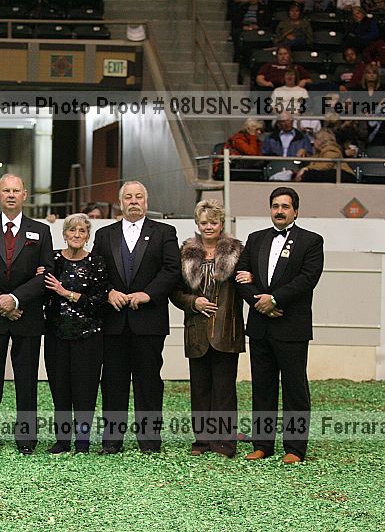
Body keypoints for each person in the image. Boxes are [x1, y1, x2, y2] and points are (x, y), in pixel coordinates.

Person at [0, 174, 54, 455]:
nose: (11, 195)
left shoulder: (41, 231)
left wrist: (15, 299)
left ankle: (26, 438)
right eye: (6, 191)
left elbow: (46, 273)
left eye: (16, 190)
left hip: (27, 315)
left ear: (25, 195)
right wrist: (0, 301)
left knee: (26, 379)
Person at [235, 187, 324, 464]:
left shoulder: (311, 241)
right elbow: (241, 277)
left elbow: (307, 278)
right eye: (275, 206)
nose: (280, 211)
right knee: (262, 388)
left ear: (296, 211)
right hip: (260, 326)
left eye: (285, 206)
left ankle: (295, 448)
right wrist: (259, 302)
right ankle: (262, 444)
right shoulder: (255, 239)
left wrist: (273, 299)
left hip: (291, 326)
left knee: (295, 389)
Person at [91, 181, 180, 454]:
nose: (133, 201)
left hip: (149, 321)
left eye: (138, 197)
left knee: (149, 382)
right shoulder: (104, 235)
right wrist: (108, 292)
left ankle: (150, 441)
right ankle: (112, 441)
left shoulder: (164, 232)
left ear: (146, 201)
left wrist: (148, 294)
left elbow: (171, 270)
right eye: (128, 197)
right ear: (120, 202)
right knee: (112, 383)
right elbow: (95, 272)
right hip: (113, 321)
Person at [170, 200, 246, 458]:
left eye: (213, 222)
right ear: (197, 224)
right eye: (204, 222)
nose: (209, 227)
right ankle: (202, 441)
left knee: (224, 390)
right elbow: (174, 292)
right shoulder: (185, 253)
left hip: (227, 329)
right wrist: (193, 302)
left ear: (221, 223)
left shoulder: (238, 251)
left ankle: (224, 443)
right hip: (196, 330)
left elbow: (247, 284)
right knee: (200, 389)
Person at [42, 213, 108, 454]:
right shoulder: (52, 260)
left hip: (88, 337)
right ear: (64, 234)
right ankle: (62, 441)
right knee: (59, 390)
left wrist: (66, 293)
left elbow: (99, 302)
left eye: (82, 231)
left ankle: (82, 441)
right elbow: (42, 291)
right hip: (56, 335)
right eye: (72, 230)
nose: (77, 235)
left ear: (88, 236)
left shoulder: (97, 262)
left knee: (85, 391)